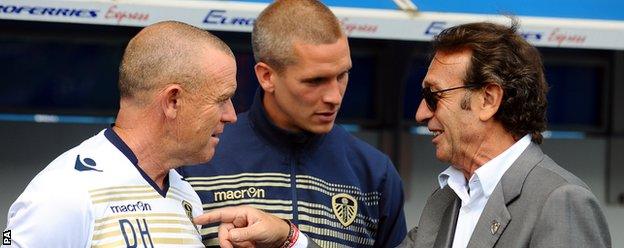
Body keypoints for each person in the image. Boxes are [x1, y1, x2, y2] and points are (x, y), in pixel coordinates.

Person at [193, 20, 613, 248]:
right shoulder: (448, 199)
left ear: (488, 100)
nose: (419, 113)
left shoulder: (561, 202)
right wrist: (290, 238)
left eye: (434, 96)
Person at [177, 0, 407, 247]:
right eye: (314, 81)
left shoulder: (374, 172)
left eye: (342, 75)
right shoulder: (197, 159)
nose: (334, 96)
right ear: (267, 76)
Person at [4, 21, 238, 247]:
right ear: (173, 101)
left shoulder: (184, 193)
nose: (231, 115)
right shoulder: (65, 193)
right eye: (222, 99)